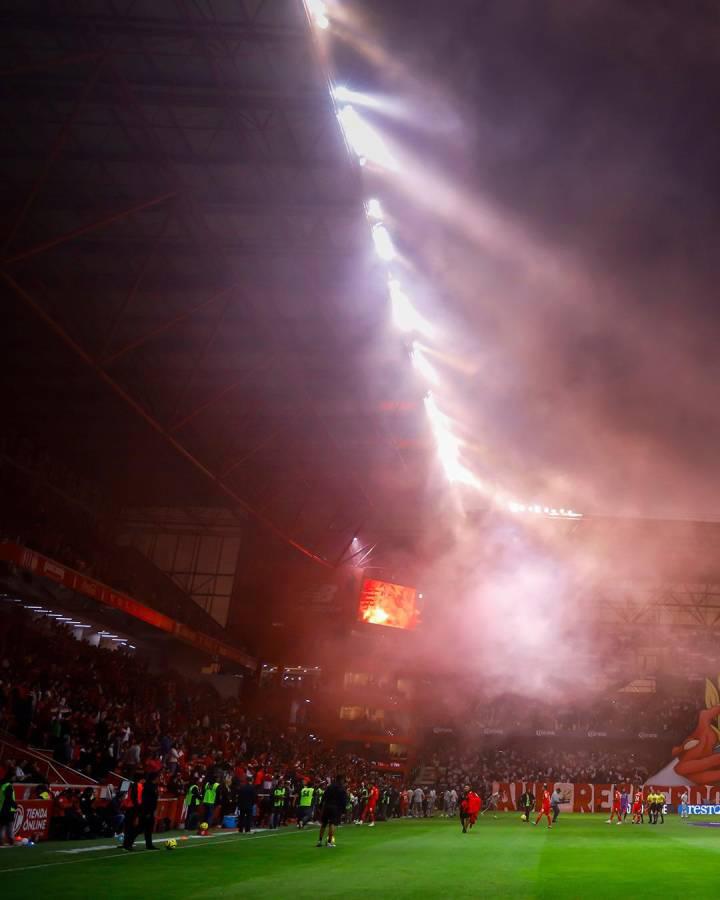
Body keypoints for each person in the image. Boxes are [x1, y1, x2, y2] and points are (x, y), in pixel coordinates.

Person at [122, 772, 158, 851]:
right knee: (137, 828)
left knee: (142, 828)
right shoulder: (141, 786)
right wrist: (142, 810)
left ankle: (127, 843)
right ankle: (127, 844)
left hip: (134, 808)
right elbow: (139, 799)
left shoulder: (131, 784)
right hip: (137, 809)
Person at [316, 776, 347, 848]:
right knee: (332, 824)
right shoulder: (342, 789)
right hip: (335, 808)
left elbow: (324, 796)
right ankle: (329, 843)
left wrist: (321, 805)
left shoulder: (330, 787)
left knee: (324, 824)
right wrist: (343, 811)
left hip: (327, 806)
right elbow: (343, 801)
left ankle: (319, 841)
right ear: (341, 780)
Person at [0, 773, 17, 847]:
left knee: (2, 826)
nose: (15, 779)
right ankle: (11, 841)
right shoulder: (9, 786)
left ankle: (1, 841)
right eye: (14, 777)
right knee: (9, 826)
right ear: (11, 777)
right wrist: (14, 805)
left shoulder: (2, 785)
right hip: (8, 808)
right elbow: (9, 797)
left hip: (2, 808)